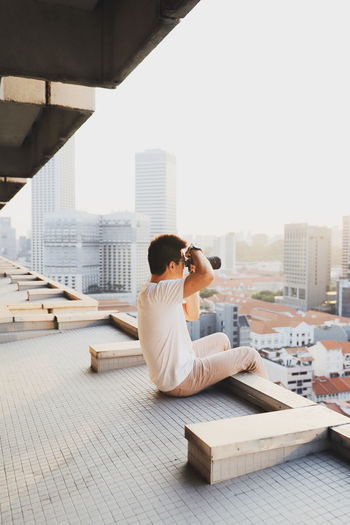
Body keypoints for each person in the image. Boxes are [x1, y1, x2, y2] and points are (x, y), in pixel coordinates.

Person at [137, 234, 268, 397]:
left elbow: (192, 315)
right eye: (182, 264)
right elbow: (207, 276)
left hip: (174, 371)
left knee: (222, 339)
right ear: (171, 266)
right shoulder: (161, 292)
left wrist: (192, 274)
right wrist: (195, 249)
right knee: (251, 355)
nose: (184, 268)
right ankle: (272, 405)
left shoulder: (153, 291)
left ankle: (226, 385)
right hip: (181, 379)